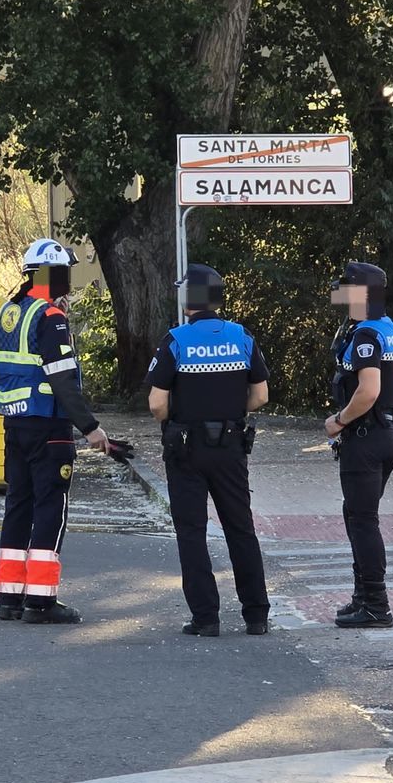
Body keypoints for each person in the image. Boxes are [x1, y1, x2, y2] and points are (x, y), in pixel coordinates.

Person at [147, 265, 272, 636]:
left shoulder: (175, 340)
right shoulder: (241, 336)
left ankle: (206, 618)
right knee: (241, 529)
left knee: (192, 532)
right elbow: (261, 395)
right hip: (231, 447)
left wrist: (176, 418)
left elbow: (156, 403)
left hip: (186, 449)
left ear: (190, 299)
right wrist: (230, 412)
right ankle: (256, 616)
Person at [0, 238, 111, 625]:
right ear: (50, 275)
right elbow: (62, 380)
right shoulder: (49, 317)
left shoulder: (10, 311)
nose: (68, 282)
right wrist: (90, 428)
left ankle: (9, 598)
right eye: (64, 274)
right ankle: (41, 603)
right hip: (49, 426)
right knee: (50, 509)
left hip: (16, 424)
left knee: (18, 506)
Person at [326, 261, 393, 628]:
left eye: (345, 289)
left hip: (365, 437)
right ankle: (362, 597)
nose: (341, 296)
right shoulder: (391, 329)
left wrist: (340, 420)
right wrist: (392, 416)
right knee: (357, 514)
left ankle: (376, 605)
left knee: (362, 520)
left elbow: (369, 390)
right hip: (389, 434)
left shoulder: (365, 335)